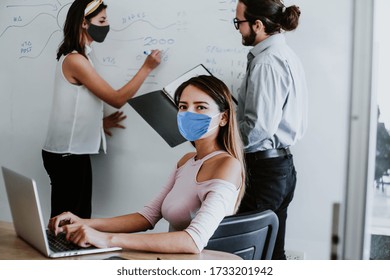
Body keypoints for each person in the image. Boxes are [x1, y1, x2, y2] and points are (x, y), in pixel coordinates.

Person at [48, 75, 245, 253]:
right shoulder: (186, 161)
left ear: (224, 118)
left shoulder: (228, 166)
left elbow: (193, 241)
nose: (188, 113)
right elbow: (147, 217)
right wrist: (85, 223)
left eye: (200, 107)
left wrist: (106, 239)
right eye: (183, 107)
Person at [42, 0, 161, 219]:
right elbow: (116, 99)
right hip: (67, 155)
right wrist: (147, 68)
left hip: (68, 153)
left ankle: (65, 250)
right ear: (84, 23)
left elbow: (74, 104)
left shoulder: (80, 56)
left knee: (72, 217)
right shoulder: (76, 60)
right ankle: (64, 252)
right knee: (72, 220)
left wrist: (98, 124)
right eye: (102, 20)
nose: (107, 25)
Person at [234, 0, 308, 259]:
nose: (238, 29)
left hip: (264, 172)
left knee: (246, 257)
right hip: (279, 168)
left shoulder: (267, 62)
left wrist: (221, 140)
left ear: (257, 24)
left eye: (239, 23)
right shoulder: (285, 55)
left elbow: (258, 128)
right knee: (271, 255)